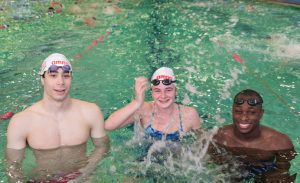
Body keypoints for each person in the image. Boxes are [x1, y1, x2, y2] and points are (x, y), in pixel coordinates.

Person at [6, 53, 109, 182]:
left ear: (71, 78)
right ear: (43, 79)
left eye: (66, 76)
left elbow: (102, 147)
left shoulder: (91, 112)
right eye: (53, 75)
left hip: (83, 177)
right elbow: (13, 167)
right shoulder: (21, 122)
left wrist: (85, 173)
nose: (60, 82)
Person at [209, 89, 297, 182]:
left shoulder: (279, 142)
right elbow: (207, 163)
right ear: (232, 111)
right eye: (238, 111)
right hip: (233, 170)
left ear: (261, 114)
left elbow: (283, 171)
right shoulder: (218, 136)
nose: (244, 117)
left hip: (265, 171)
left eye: (252, 112)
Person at [105, 67, 202, 141]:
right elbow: (108, 126)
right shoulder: (144, 109)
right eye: (157, 91)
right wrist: (137, 102)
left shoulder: (189, 115)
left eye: (168, 90)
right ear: (152, 93)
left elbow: (201, 142)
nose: (163, 96)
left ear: (176, 91)